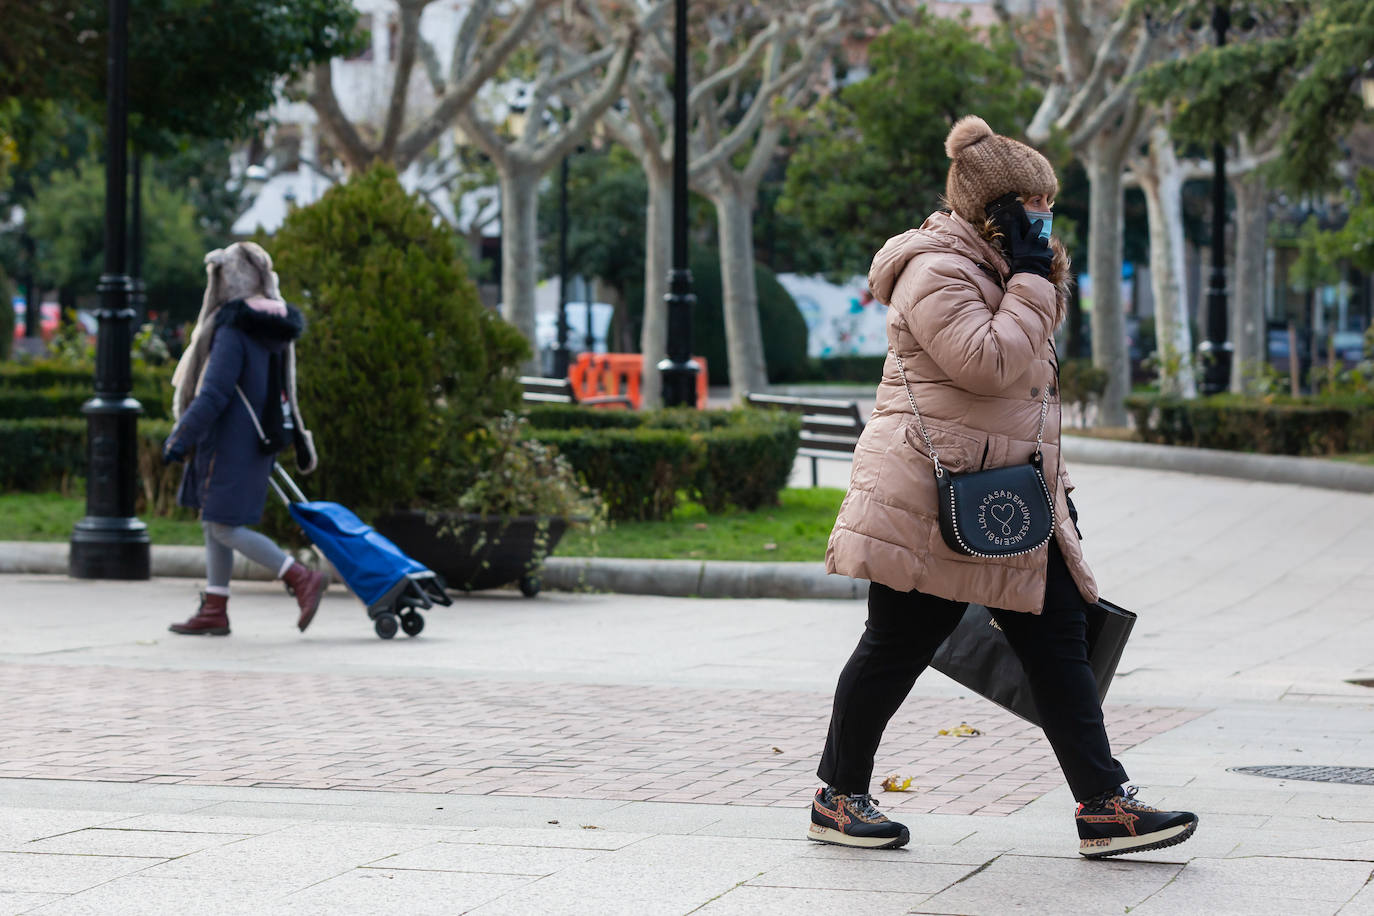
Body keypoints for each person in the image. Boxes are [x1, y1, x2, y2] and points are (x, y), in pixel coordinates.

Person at [808, 116, 1198, 859]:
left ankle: (1103, 806)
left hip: (1007, 494)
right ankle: (837, 795)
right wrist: (1029, 276)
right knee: (895, 645)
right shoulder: (936, 270)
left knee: (1060, 644)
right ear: (997, 211)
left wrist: (1059, 490)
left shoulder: (1001, 268)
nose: (1046, 219)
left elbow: (1026, 395)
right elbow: (987, 362)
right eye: (1034, 205)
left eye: (1050, 205)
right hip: (932, 495)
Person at [162, 241, 324, 637]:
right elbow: (288, 388)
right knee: (215, 520)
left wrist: (181, 437)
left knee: (223, 527)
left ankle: (300, 576)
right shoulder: (274, 325)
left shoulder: (233, 327)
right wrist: (300, 441)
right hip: (259, 439)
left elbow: (214, 393)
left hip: (229, 442)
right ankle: (215, 607)